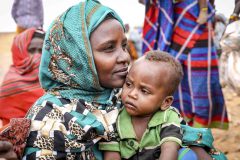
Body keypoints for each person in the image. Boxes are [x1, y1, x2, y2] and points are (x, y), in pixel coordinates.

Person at [22, 1, 130, 159]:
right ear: (76, 57)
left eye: (124, 46)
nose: (125, 57)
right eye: (109, 48)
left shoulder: (128, 98)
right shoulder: (50, 117)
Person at [141, 0, 229, 129]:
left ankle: (199, 125)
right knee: (173, 73)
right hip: (172, 17)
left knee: (199, 74)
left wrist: (203, 9)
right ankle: (180, 120)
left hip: (194, 16)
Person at [99, 50, 198, 160]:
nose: (132, 94)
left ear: (165, 102)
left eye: (144, 91)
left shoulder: (168, 117)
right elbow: (111, 155)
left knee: (188, 155)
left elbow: (169, 149)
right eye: (128, 84)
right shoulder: (113, 117)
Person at [0, 28, 45, 127]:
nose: (37, 55)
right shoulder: (11, 82)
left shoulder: (55, 79)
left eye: (41, 51)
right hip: (13, 139)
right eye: (31, 50)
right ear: (20, 52)